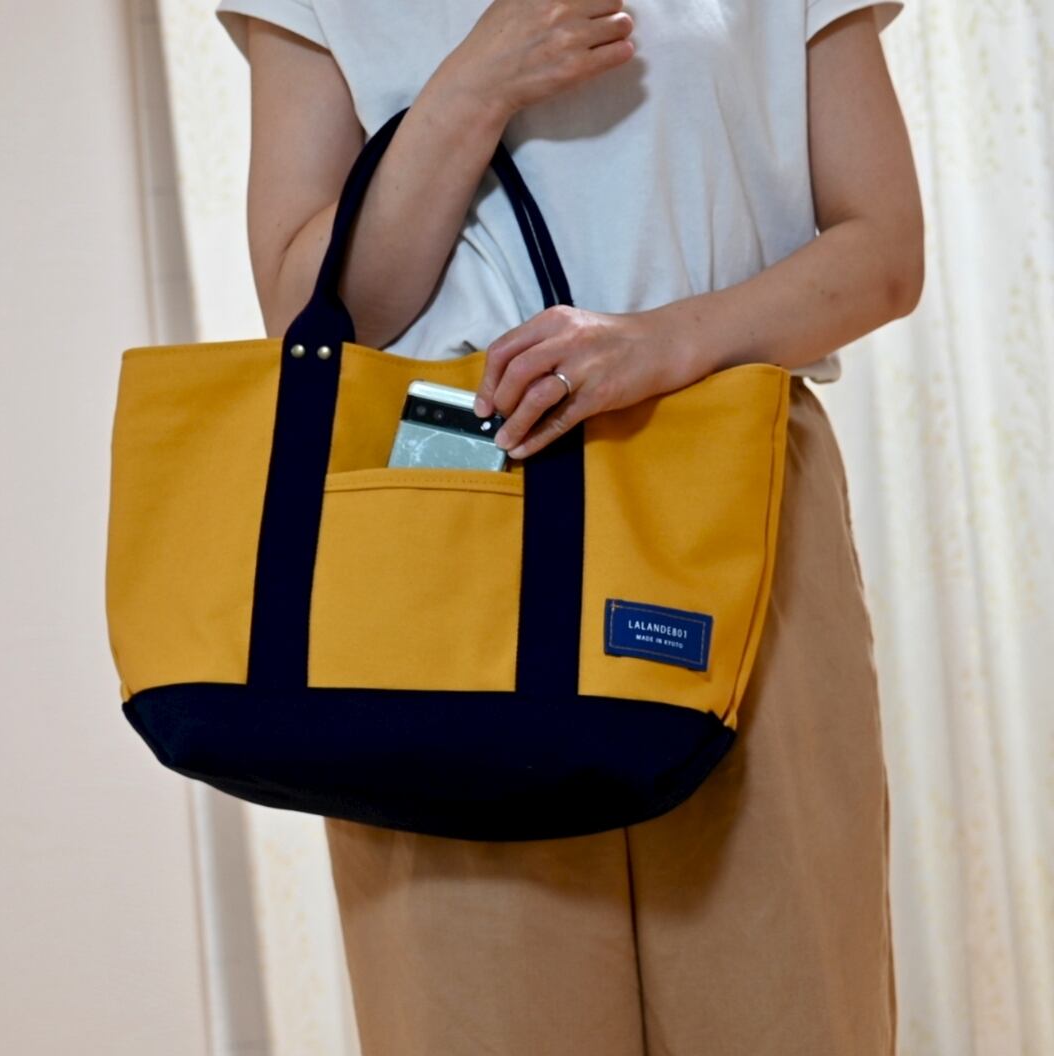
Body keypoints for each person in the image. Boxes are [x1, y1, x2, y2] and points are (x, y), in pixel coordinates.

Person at [214, 1, 924, 1052]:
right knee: (479, 1013)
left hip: (731, 486)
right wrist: (476, 83)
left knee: (788, 1000)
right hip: (446, 489)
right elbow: (310, 310)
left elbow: (884, 250)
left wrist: (663, 342)